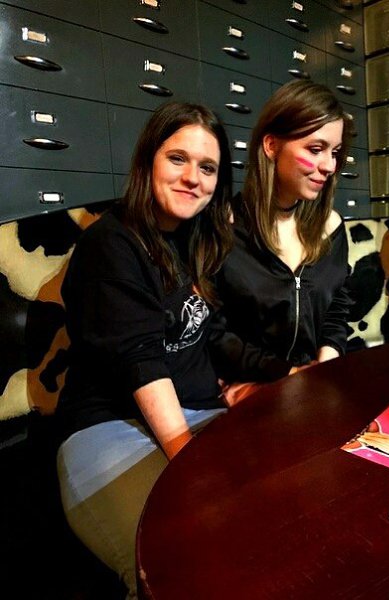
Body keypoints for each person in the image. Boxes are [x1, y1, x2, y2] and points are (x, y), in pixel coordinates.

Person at [55, 101, 234, 598]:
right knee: (174, 563)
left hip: (193, 410)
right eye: (177, 158)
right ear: (147, 160)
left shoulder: (198, 240)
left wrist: (245, 384)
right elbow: (143, 363)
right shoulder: (110, 243)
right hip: (107, 426)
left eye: (208, 167)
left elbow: (211, 334)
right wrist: (192, 466)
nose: (193, 177)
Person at [212, 79, 354, 397]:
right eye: (315, 149)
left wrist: (327, 360)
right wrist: (287, 374)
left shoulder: (330, 226)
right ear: (271, 145)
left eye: (335, 152)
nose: (329, 166)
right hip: (247, 387)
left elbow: (336, 307)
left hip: (313, 384)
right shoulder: (224, 227)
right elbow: (216, 333)